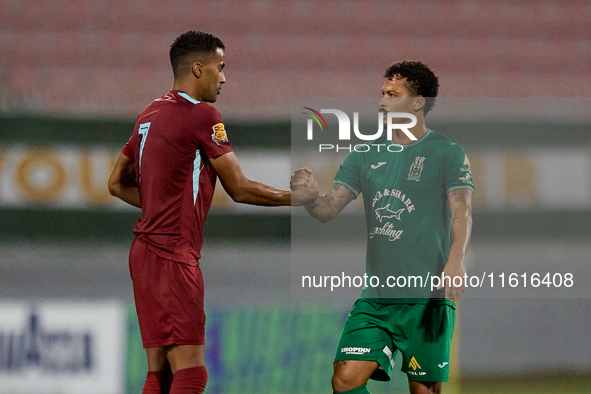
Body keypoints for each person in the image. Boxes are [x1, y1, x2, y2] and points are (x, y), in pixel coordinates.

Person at [108, 31, 313, 394]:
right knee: (191, 373)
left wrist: (163, 204)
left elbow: (115, 183)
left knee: (160, 371)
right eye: (220, 68)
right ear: (198, 69)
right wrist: (297, 198)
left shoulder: (148, 114)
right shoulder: (202, 115)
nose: (224, 78)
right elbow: (239, 188)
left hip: (143, 254)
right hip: (173, 256)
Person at [291, 61, 474, 394]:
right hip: (377, 297)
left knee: (424, 390)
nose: (383, 102)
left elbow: (461, 212)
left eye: (393, 94)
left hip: (427, 297)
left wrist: (455, 261)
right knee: (344, 380)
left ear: (418, 102)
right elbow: (327, 209)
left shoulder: (447, 153)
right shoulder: (364, 155)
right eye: (382, 94)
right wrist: (308, 198)